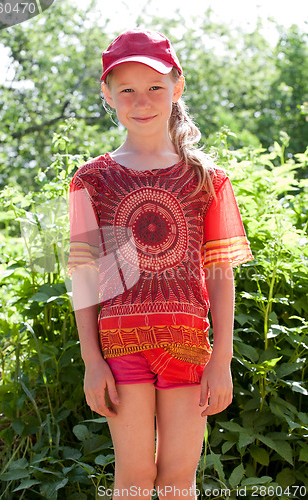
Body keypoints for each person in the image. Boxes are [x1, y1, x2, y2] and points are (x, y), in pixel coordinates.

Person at [67, 29, 253, 500]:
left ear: (177, 87)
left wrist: (223, 359)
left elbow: (220, 271)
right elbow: (85, 277)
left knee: (177, 483)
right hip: (120, 345)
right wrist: (92, 360)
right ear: (107, 95)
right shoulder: (92, 179)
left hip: (189, 346)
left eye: (154, 87)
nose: (142, 100)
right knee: (133, 481)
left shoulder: (204, 178)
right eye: (126, 89)